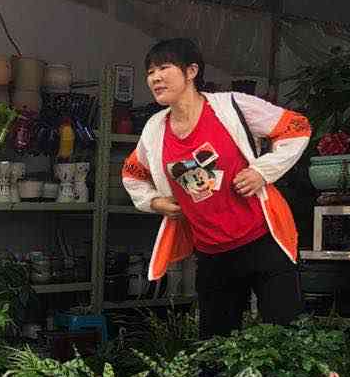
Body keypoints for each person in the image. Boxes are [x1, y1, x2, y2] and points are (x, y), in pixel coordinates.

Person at [121, 38, 311, 338]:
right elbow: (132, 174)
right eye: (150, 72)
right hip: (212, 255)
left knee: (286, 340)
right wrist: (154, 202)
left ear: (191, 71)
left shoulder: (233, 106)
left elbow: (297, 127)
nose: (154, 77)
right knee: (215, 349)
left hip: (263, 242)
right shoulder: (154, 128)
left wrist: (262, 171)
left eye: (164, 68)